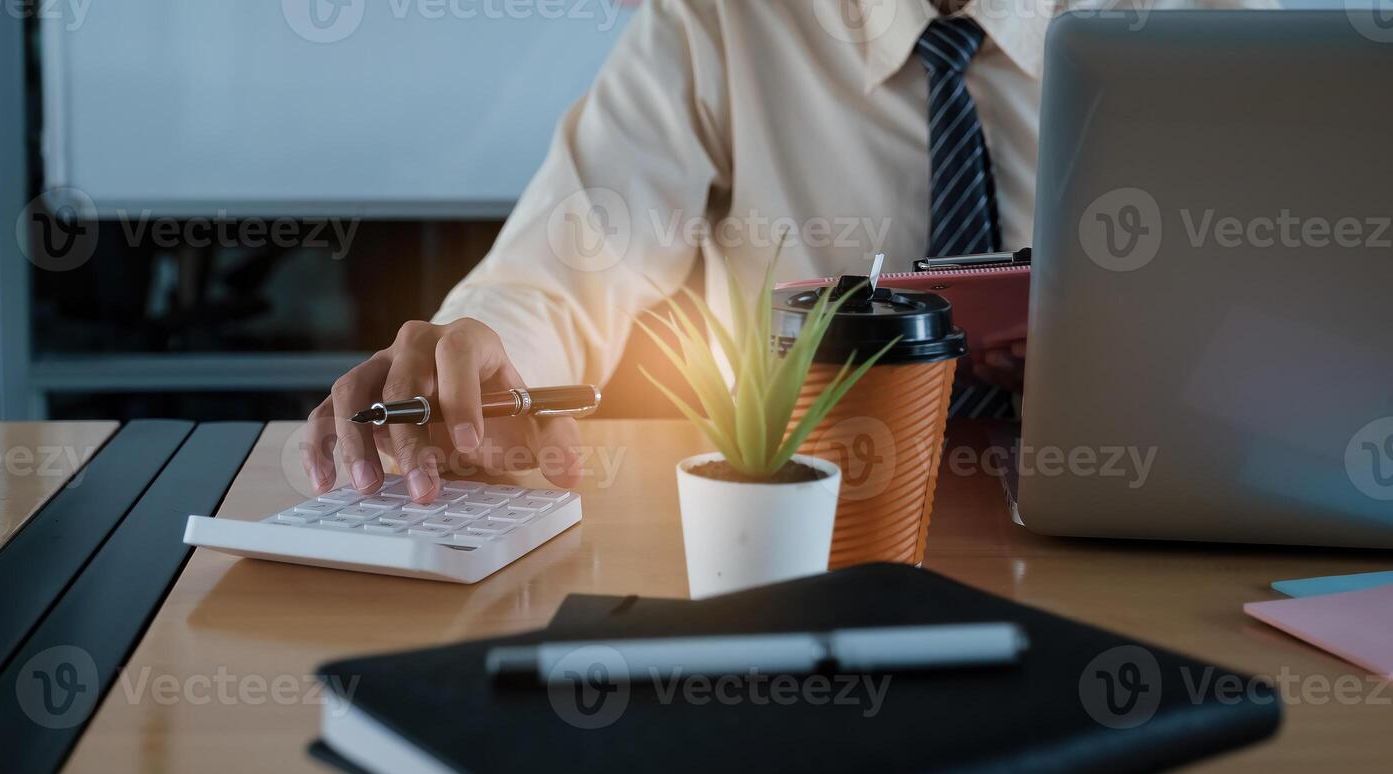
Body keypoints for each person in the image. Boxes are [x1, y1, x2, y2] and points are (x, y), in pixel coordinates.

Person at [302, 0, 1268, 503]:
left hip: (1133, 513)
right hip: (799, 529)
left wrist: (1154, 364)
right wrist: (479, 353)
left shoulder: (1223, 27)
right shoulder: (721, 18)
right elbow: (569, 260)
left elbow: (1291, 322)